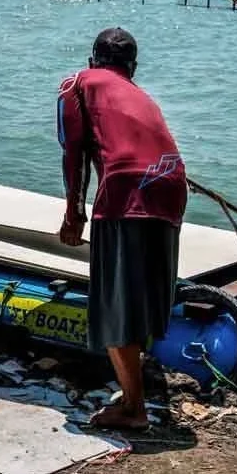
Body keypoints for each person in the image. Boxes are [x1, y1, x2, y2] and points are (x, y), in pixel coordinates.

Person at [55, 26, 187, 430]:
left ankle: (133, 409)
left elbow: (72, 152)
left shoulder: (76, 84)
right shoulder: (140, 94)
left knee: (115, 305)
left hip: (127, 187)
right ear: (133, 67)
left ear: (93, 59)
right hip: (171, 183)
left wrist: (73, 214)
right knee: (144, 296)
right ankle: (137, 383)